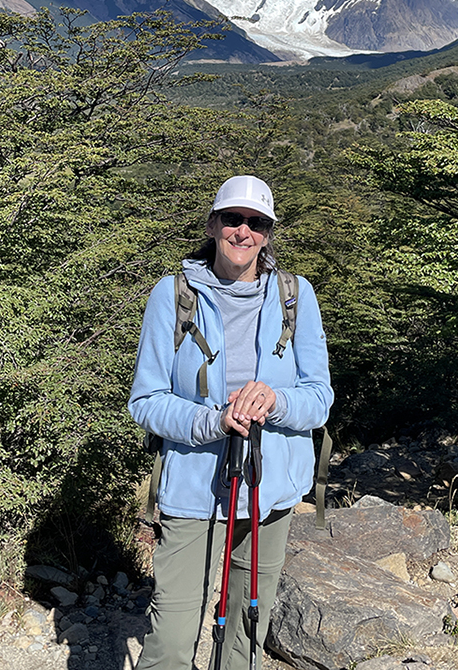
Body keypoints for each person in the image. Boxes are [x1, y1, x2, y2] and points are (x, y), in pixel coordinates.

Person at [128, 174, 333, 670]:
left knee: (245, 631)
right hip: (194, 489)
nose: (243, 231)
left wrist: (274, 401)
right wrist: (215, 421)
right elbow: (146, 401)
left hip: (269, 487)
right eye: (232, 219)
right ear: (212, 225)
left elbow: (319, 398)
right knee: (172, 638)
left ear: (267, 233)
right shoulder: (173, 296)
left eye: (256, 223)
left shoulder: (295, 296)